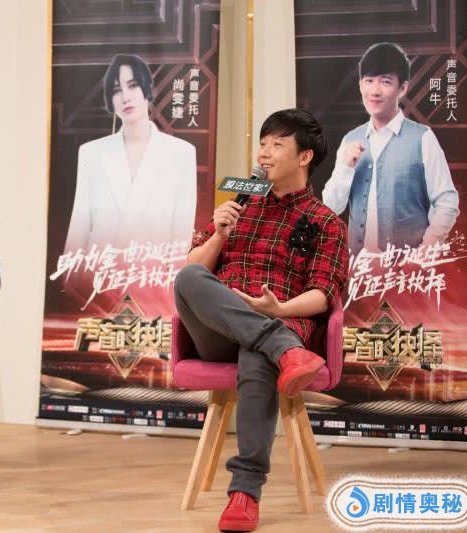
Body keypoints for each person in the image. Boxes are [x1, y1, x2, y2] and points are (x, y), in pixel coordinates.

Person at [173, 109, 348, 532]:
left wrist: (279, 311)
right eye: (263, 144)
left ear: (304, 156)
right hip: (219, 329)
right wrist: (219, 234)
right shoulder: (241, 201)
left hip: (280, 318)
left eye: (277, 145)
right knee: (189, 277)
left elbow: (323, 294)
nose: (264, 154)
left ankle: (245, 493)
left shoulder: (326, 223)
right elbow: (194, 271)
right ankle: (283, 350)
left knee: (258, 353)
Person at [322, 42, 459, 253]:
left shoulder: (423, 138)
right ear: (360, 85)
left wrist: (425, 251)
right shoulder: (350, 139)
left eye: (386, 82)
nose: (375, 91)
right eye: (369, 81)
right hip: (359, 265)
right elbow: (331, 207)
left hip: (407, 267)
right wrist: (345, 168)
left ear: (402, 88)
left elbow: (447, 202)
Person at [64, 53, 197, 253]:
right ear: (110, 98)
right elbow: (78, 229)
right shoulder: (91, 153)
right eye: (117, 90)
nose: (125, 97)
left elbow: (181, 237)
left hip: (153, 269)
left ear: (147, 87)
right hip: (99, 268)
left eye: (133, 85)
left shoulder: (181, 154)